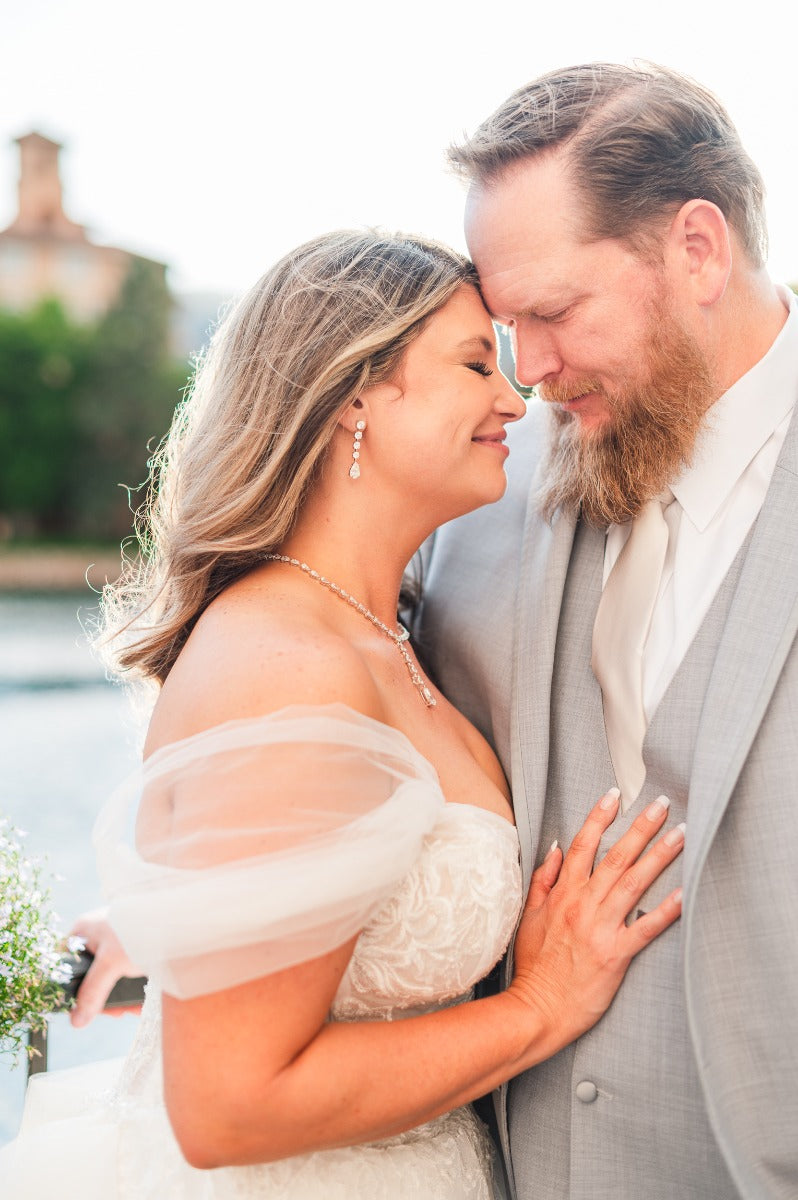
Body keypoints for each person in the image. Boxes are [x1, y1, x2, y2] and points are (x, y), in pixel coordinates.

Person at [0, 230, 685, 1199]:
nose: (514, 396)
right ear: (353, 391)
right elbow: (228, 1105)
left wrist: (185, 927)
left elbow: (318, 883)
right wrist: (540, 1005)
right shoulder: (286, 667)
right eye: (476, 361)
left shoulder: (386, 630)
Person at [415, 62, 798, 1199]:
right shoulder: (476, 486)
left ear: (696, 250)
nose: (526, 375)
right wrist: (225, 900)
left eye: (554, 312)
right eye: (504, 326)